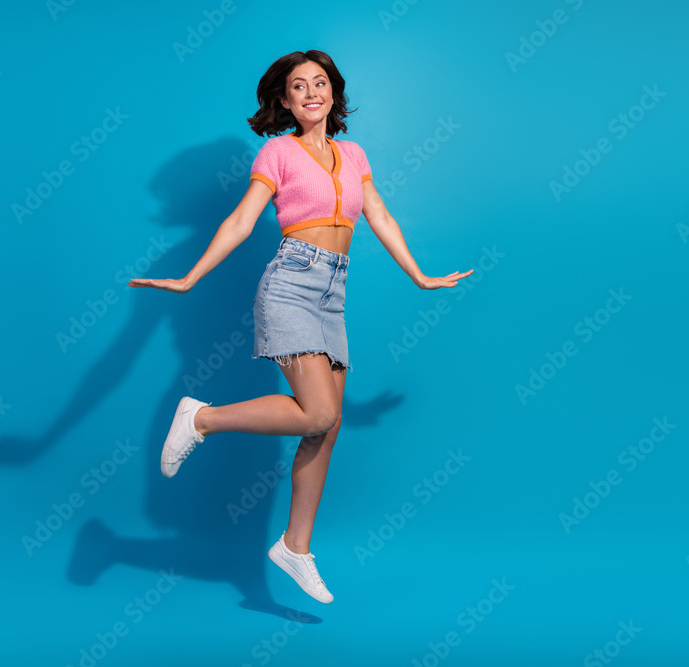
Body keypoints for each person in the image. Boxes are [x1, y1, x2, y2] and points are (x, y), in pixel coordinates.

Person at [128, 50, 473, 604]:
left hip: (334, 290)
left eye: (320, 83)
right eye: (298, 86)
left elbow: (378, 215)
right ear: (284, 100)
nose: (311, 92)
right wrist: (190, 278)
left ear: (333, 93)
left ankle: (295, 546)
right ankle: (203, 418)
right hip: (291, 283)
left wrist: (419, 276)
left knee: (325, 427)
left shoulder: (354, 153)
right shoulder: (278, 152)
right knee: (319, 411)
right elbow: (242, 219)